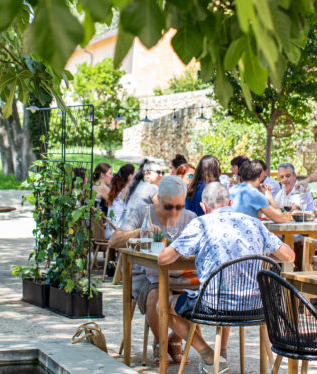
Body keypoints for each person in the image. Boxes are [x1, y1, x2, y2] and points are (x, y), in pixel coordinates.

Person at [159, 182, 294, 373]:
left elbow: (164, 259)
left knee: (162, 304)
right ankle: (219, 357)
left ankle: (208, 355)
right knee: (221, 292)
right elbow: (289, 256)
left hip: (215, 305)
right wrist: (261, 253)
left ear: (204, 207)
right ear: (230, 202)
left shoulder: (200, 223)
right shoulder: (254, 222)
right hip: (257, 305)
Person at [110, 175, 196, 366]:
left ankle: (174, 338)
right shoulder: (142, 214)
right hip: (146, 274)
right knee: (157, 294)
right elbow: (114, 241)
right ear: (158, 198)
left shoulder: (190, 218)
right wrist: (140, 231)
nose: (174, 211)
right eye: (169, 206)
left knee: (203, 295)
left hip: (180, 275)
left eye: (179, 206)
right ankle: (160, 341)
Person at [120, 159, 164, 224]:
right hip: (136, 231)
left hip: (122, 227)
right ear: (147, 174)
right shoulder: (152, 188)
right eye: (158, 172)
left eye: (162, 173)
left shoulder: (135, 185)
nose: (161, 175)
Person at [105, 164, 134, 238]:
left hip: (109, 230)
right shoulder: (125, 191)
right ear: (131, 176)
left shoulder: (117, 190)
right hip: (116, 232)